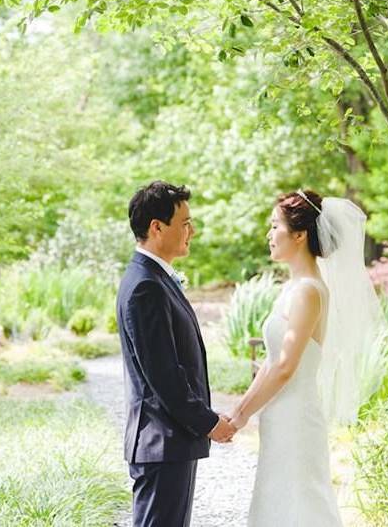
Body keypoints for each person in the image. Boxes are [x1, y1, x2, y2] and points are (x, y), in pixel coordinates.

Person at [227, 189, 382, 526]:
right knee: (277, 498)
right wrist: (241, 410)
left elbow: (284, 367)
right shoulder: (293, 288)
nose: (269, 235)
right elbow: (271, 362)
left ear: (299, 235)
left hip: (296, 417)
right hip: (280, 414)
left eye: (275, 227)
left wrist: (239, 417)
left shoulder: (309, 291)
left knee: (300, 501)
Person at [116, 180, 236, 527]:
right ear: (157, 227)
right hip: (161, 441)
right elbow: (165, 376)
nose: (192, 231)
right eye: (184, 223)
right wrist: (210, 423)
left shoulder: (155, 279)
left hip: (170, 442)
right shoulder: (145, 287)